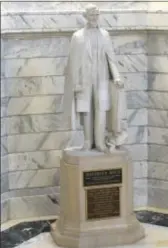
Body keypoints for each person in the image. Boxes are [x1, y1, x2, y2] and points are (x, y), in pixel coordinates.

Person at [63, 4, 127, 152]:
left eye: (96, 15)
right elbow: (73, 62)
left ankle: (99, 143)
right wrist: (75, 82)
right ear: (85, 17)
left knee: (101, 109)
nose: (94, 18)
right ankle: (87, 142)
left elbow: (111, 58)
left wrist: (116, 76)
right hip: (84, 79)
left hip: (102, 77)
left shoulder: (105, 34)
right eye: (91, 15)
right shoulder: (77, 36)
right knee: (86, 110)